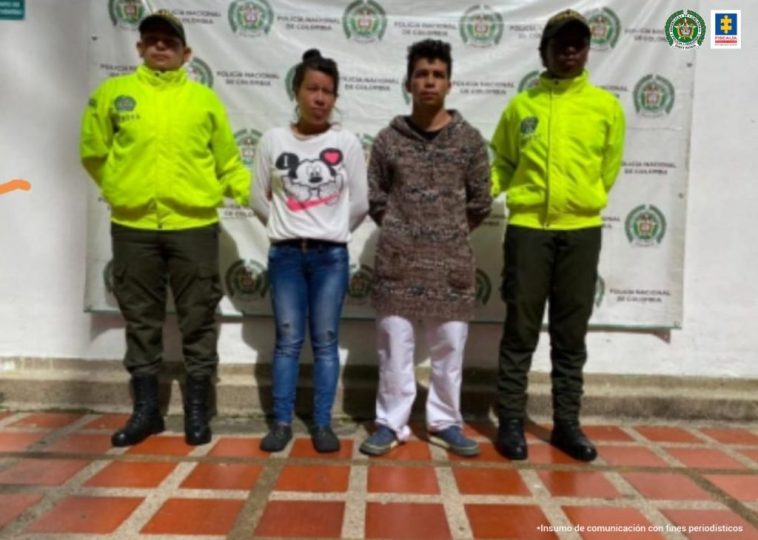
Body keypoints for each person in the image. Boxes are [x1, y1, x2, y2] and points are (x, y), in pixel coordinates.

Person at [79, 10, 250, 447]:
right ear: (139, 47)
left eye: (169, 41)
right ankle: (145, 412)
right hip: (133, 227)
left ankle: (197, 410)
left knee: (198, 318)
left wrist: (267, 199)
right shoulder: (114, 94)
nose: (159, 46)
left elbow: (230, 163)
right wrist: (122, 191)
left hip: (193, 226)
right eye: (151, 39)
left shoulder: (204, 101)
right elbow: (94, 153)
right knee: (141, 321)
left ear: (185, 52)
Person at [490, 10, 625, 462]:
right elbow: (503, 164)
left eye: (578, 43)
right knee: (520, 331)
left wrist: (582, 201)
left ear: (586, 50)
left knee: (571, 336)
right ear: (543, 50)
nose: (570, 51)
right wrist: (474, 197)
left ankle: (567, 423)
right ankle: (510, 421)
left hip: (581, 232)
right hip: (528, 231)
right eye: (561, 43)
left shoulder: (606, 107)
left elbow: (607, 169)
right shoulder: (521, 107)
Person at [359, 40, 492, 458]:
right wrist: (405, 230)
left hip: (451, 263)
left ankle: (445, 420)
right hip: (398, 261)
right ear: (408, 82)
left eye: (437, 75)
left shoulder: (469, 141)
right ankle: (390, 422)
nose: (429, 82)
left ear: (449, 83)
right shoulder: (388, 140)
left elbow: (481, 201)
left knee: (449, 348)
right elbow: (375, 196)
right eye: (421, 74)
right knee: (394, 349)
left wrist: (445, 232)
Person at [251, 49, 369, 453]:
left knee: (325, 341)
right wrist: (287, 227)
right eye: (312, 88)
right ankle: (281, 422)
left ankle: (322, 423)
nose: (320, 98)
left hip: (330, 259)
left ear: (335, 99)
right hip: (285, 257)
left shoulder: (346, 142)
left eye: (328, 92)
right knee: (286, 341)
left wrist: (331, 231)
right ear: (296, 91)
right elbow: (257, 198)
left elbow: (359, 202)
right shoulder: (273, 141)